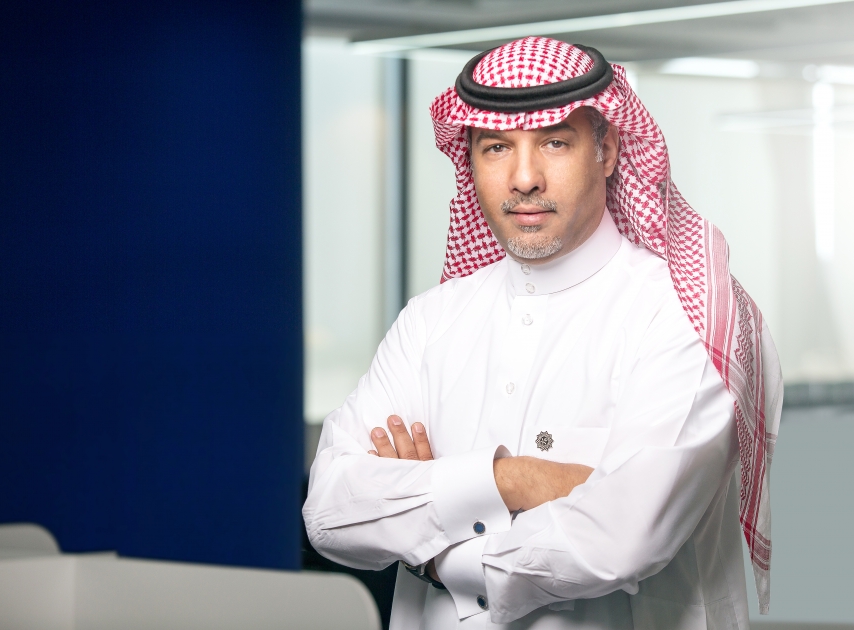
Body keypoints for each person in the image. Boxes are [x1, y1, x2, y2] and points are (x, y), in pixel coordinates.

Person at [303, 37, 782, 630]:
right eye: (496, 147)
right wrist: (515, 478)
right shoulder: (430, 321)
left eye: (555, 142)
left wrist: (429, 541)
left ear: (607, 150)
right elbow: (329, 510)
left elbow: (619, 540)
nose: (524, 178)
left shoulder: (688, 313)